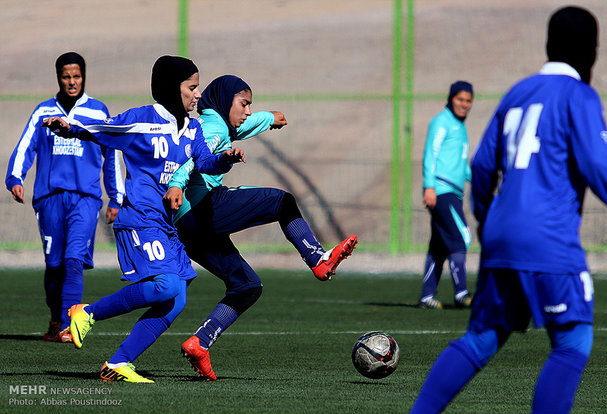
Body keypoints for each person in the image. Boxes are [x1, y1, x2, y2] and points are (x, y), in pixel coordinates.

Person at [410, 6, 607, 413]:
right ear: (593, 52)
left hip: (501, 234)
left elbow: (483, 166)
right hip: (548, 236)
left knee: (483, 336)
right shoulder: (580, 95)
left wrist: (488, 220)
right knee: (573, 340)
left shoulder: (519, 91)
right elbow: (598, 165)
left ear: (547, 45)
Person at [42, 56, 246, 383]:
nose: (197, 94)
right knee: (166, 285)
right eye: (191, 87)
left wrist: (225, 159)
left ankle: (119, 362)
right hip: (138, 217)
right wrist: (71, 128)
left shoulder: (192, 127)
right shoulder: (141, 120)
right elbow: (103, 129)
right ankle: (87, 313)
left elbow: (204, 162)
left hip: (166, 224)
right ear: (170, 88)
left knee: (176, 299)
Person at [163, 74, 358, 380]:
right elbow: (192, 162)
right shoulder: (212, 128)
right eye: (244, 104)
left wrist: (271, 119)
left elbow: (244, 125)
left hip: (189, 228)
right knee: (281, 202)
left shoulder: (222, 123)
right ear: (226, 101)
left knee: (247, 286)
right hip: (202, 210)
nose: (248, 111)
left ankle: (200, 342)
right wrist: (177, 183)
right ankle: (317, 259)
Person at [5, 52, 124, 343]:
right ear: (58, 77)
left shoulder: (97, 112)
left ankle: (68, 327)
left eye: (77, 76)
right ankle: (56, 317)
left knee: (73, 261)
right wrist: (15, 178)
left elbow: (112, 155)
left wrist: (116, 197)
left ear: (84, 76)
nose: (72, 82)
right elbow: (25, 147)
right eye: (66, 76)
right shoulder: (42, 111)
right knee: (55, 266)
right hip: (49, 198)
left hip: (85, 199)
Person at [418, 80, 474, 309]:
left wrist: (478, 179)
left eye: (468, 101)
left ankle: (426, 297)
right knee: (462, 236)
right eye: (460, 99)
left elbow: (460, 164)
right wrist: (429, 186)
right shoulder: (441, 122)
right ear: (451, 98)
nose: (464, 104)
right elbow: (430, 154)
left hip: (453, 191)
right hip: (442, 191)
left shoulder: (459, 127)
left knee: (439, 246)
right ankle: (461, 293)